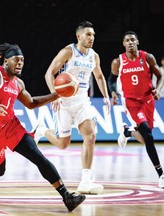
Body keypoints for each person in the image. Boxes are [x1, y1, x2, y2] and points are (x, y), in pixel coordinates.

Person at [0, 43, 86, 212]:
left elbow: (31, 103)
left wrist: (57, 94)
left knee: (38, 157)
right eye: (16, 60)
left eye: (22, 60)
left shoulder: (18, 83)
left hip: (11, 126)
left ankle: (66, 196)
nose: (20, 63)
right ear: (5, 61)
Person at [34, 21, 111, 194]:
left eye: (93, 35)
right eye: (88, 34)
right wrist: (54, 95)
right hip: (64, 102)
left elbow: (99, 77)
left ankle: (85, 181)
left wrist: (106, 96)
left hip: (83, 101)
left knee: (90, 135)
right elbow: (49, 73)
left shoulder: (94, 56)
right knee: (63, 144)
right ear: (79, 36)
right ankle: (40, 130)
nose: (92, 37)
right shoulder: (68, 51)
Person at [107, 31, 164, 188]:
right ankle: (161, 175)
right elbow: (111, 79)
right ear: (123, 44)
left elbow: (160, 76)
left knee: (147, 136)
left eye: (132, 40)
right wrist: (113, 92)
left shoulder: (147, 57)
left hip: (148, 100)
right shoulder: (118, 62)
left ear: (137, 42)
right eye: (127, 40)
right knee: (148, 136)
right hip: (131, 102)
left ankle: (127, 132)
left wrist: (158, 89)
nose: (130, 42)